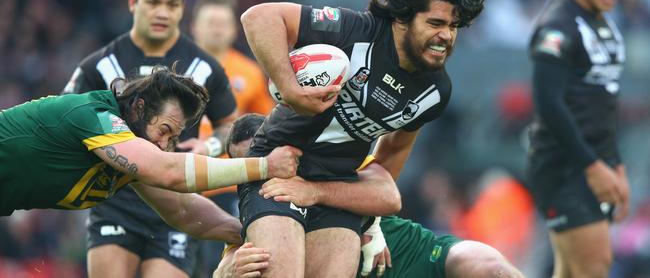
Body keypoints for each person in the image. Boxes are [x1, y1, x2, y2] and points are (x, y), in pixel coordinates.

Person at [237, 0, 486, 277]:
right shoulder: (354, 29)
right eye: (435, 23)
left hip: (335, 191)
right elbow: (259, 17)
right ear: (403, 19)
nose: (446, 37)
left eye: (454, 26)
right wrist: (292, 90)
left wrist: (371, 222)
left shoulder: (436, 92)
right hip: (278, 170)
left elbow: (388, 160)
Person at [61, 0, 239, 278]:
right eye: (152, 2)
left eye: (171, 5)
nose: (161, 13)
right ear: (133, 2)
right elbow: (64, 115)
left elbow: (230, 124)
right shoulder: (100, 65)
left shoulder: (205, 67)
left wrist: (209, 147)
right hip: (115, 202)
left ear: (183, 9)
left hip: (178, 205)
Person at [213, 114, 524, 278]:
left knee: (488, 267)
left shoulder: (324, 159)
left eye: (266, 154)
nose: (265, 168)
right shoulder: (254, 218)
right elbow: (233, 263)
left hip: (404, 253)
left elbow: (388, 195)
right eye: (252, 166)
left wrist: (316, 192)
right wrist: (222, 274)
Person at [0, 66, 301, 220]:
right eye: (166, 130)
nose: (165, 143)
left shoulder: (132, 151)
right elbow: (168, 171)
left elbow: (183, 210)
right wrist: (264, 165)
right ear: (138, 108)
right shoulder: (94, 116)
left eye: (174, 137)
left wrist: (244, 233)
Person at [526, 0, 629, 278]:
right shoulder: (559, 26)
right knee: (594, 267)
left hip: (595, 162)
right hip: (563, 167)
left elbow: (605, 105)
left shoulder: (606, 26)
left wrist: (617, 165)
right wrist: (594, 167)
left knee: (572, 271)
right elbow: (548, 104)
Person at [190, 0, 275, 276]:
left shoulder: (249, 71)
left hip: (227, 182)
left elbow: (265, 125)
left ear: (233, 30)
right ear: (194, 27)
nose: (216, 28)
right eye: (210, 22)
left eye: (222, 23)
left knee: (220, 261)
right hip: (180, 179)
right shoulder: (175, 67)